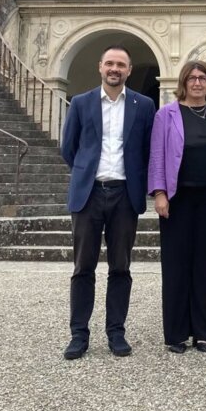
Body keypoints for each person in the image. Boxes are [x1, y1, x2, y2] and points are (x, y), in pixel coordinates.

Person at [61, 44, 156, 360]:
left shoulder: (143, 105)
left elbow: (146, 150)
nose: (115, 69)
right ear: (100, 67)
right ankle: (79, 334)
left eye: (121, 65)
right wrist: (88, 173)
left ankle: (116, 332)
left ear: (128, 71)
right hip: (89, 195)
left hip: (124, 196)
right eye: (110, 63)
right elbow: (69, 148)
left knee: (121, 267)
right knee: (82, 268)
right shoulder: (81, 103)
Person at [148, 60, 206, 354]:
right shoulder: (167, 114)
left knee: (205, 266)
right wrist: (160, 193)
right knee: (176, 266)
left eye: (203, 78)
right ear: (184, 82)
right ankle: (175, 333)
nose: (198, 83)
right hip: (178, 199)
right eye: (192, 78)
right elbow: (158, 155)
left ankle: (202, 332)